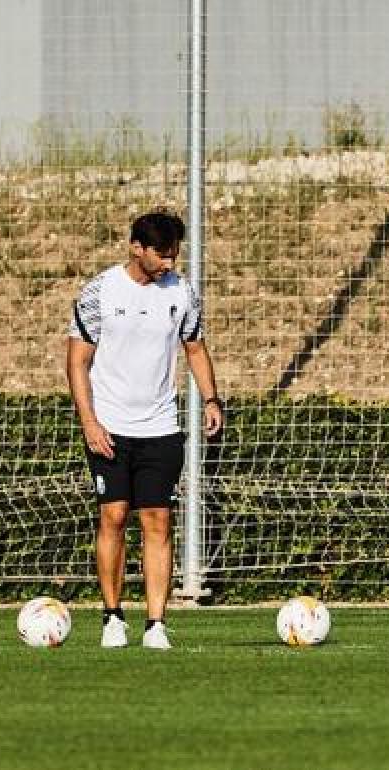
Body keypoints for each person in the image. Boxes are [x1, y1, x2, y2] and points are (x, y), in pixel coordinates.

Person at [67, 210, 223, 649]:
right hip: (109, 428)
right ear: (136, 247)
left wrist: (211, 399)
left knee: (158, 520)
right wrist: (90, 424)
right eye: (163, 255)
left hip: (160, 428)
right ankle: (112, 617)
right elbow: (77, 362)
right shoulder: (100, 291)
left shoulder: (182, 293)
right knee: (113, 517)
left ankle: (156, 624)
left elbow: (194, 348)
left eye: (175, 255)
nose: (170, 264)